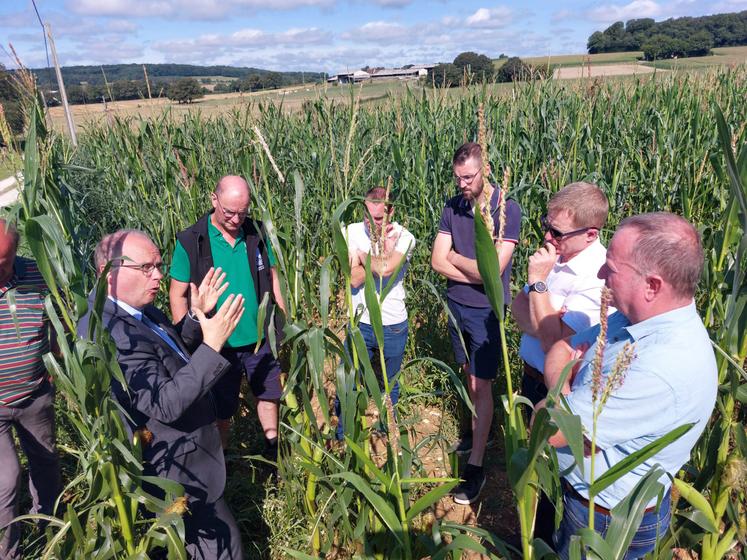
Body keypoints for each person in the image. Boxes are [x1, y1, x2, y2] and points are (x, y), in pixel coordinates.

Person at [539, 212, 718, 559]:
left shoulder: (662, 367)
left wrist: (561, 392)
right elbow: (560, 347)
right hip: (585, 499)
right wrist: (565, 394)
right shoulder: (637, 316)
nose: (601, 275)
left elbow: (548, 430)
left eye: (612, 269)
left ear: (652, 286)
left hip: (606, 520)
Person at [79, 229, 245, 559]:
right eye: (145, 268)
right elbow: (163, 403)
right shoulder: (112, 332)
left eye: (158, 265)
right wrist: (213, 345)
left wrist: (197, 318)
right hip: (173, 470)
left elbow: (170, 355)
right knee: (223, 548)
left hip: (189, 460)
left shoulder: (137, 310)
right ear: (107, 274)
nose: (158, 276)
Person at [169, 176, 286, 458]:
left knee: (269, 395)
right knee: (221, 409)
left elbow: (272, 276)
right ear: (214, 200)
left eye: (242, 212)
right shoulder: (191, 240)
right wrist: (185, 338)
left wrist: (281, 321)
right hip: (217, 343)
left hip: (259, 335)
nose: (236, 219)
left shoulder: (256, 233)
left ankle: (273, 449)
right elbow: (177, 293)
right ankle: (221, 461)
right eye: (229, 212)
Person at [431, 142, 521, 504]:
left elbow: (495, 269)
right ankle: (477, 431)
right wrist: (477, 271)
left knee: (482, 386)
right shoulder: (453, 207)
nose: (463, 184)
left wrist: (459, 258)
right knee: (468, 377)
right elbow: (437, 261)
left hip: (487, 314)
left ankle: (477, 466)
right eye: (458, 178)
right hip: (457, 308)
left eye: (469, 177)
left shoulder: (506, 209)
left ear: (484, 170)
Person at [512, 182, 611, 406]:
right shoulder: (556, 255)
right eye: (546, 225)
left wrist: (537, 283)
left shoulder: (597, 277)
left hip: (557, 394)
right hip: (530, 378)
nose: (547, 236)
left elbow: (553, 344)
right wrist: (549, 320)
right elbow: (517, 308)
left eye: (557, 232)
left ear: (590, 234)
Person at [0, 219, 61, 560]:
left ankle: (51, 528)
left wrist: (55, 364)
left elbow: (54, 320)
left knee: (46, 463)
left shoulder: (37, 274)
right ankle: (9, 553)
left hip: (36, 392)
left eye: (3, 263)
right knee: (6, 481)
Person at [335, 186, 415, 440]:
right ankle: (344, 434)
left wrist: (363, 256)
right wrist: (379, 258)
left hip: (393, 324)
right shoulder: (350, 232)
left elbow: (389, 268)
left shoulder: (405, 236)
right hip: (360, 321)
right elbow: (355, 278)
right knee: (347, 380)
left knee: (388, 385)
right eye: (368, 217)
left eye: (379, 218)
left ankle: (386, 436)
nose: (372, 223)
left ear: (390, 211)